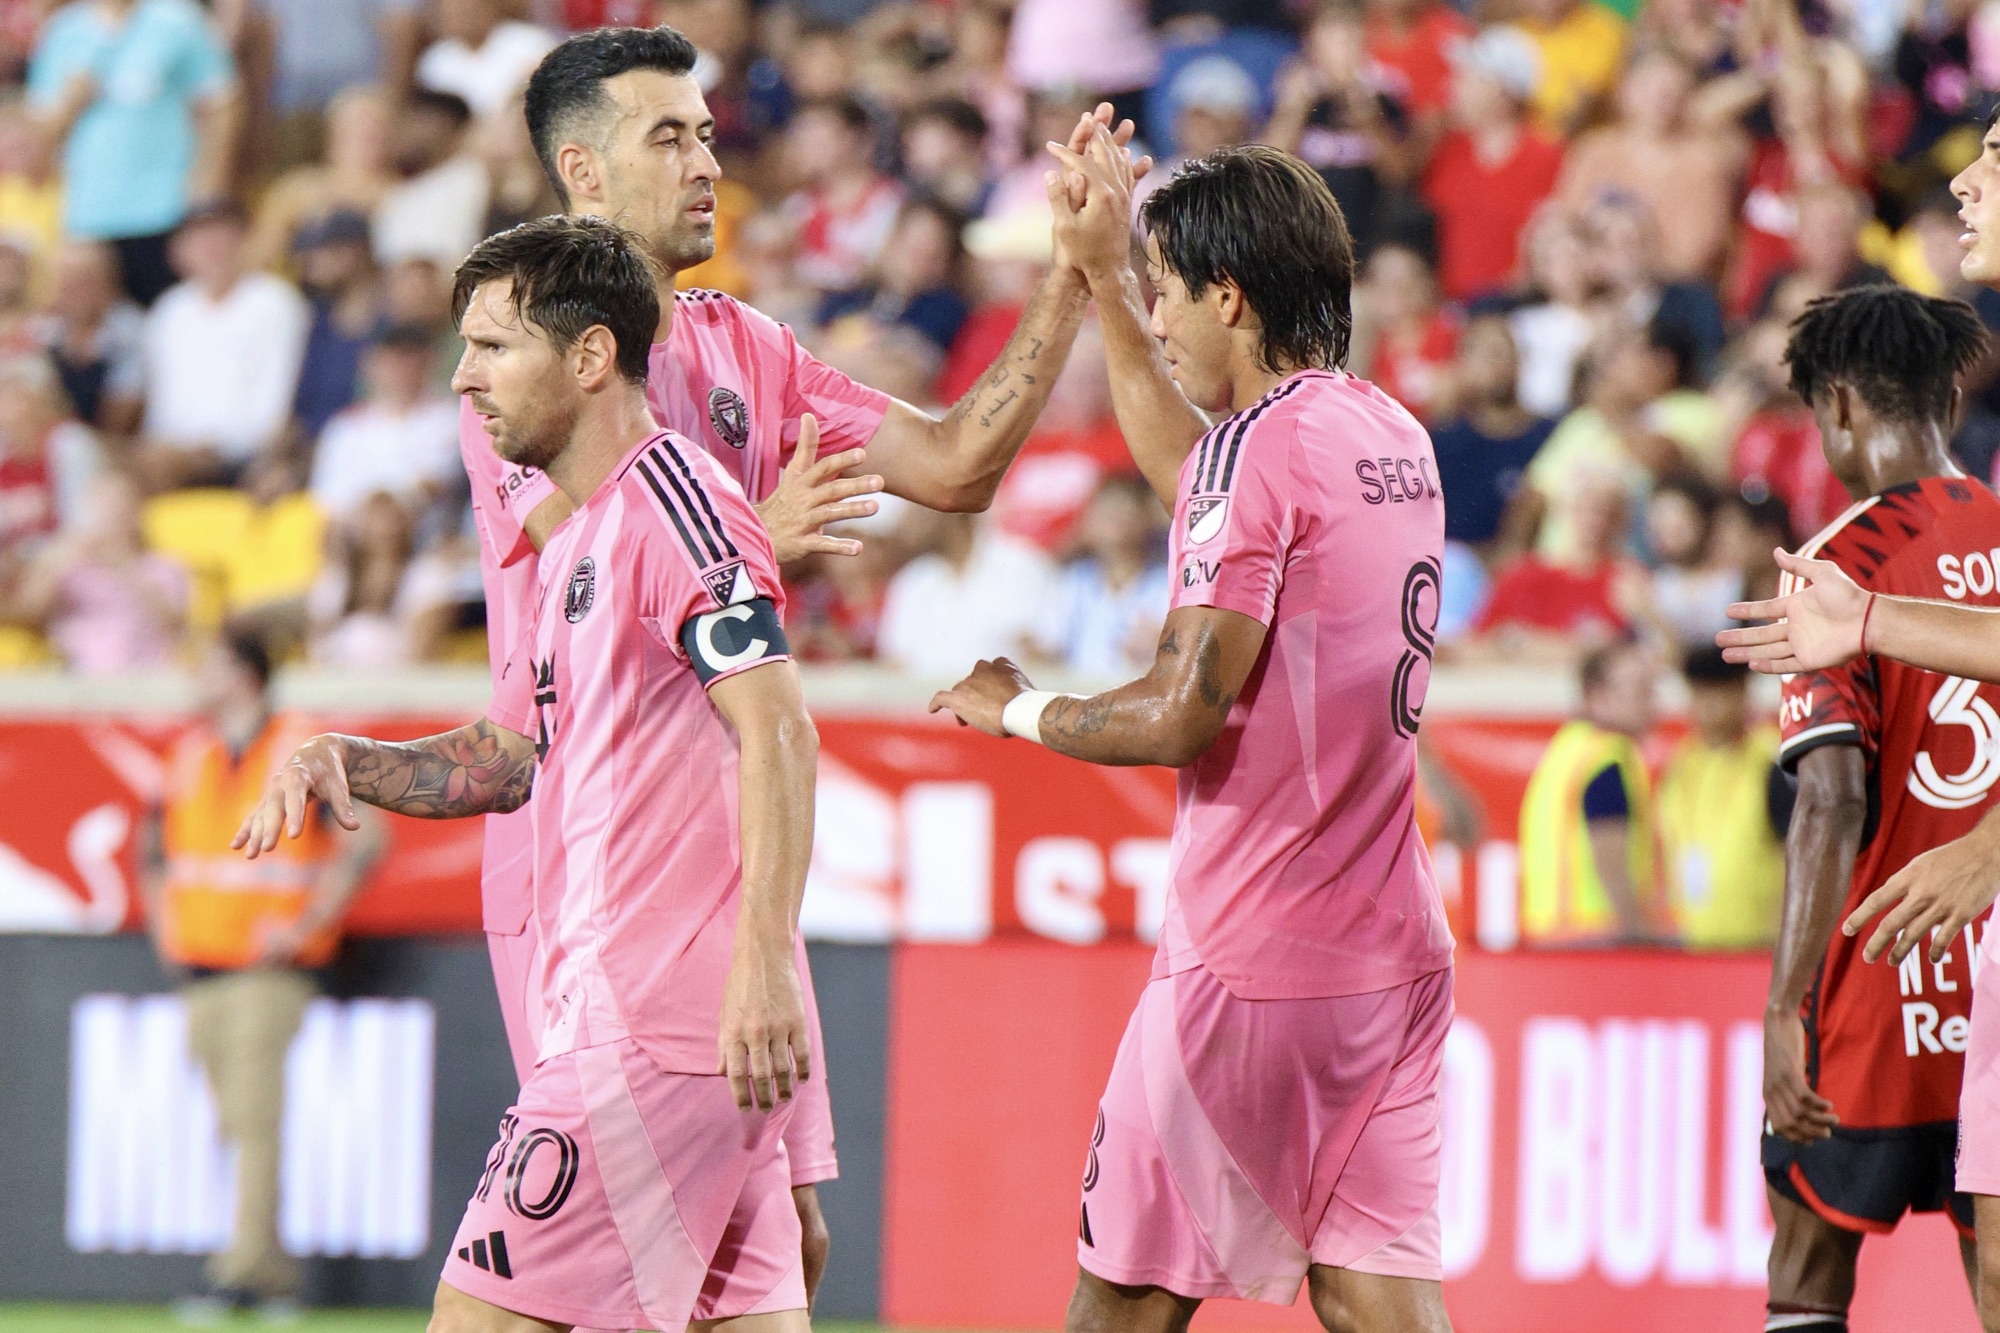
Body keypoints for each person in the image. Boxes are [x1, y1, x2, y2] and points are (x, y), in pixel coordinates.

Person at [238, 215, 819, 1333]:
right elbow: (509, 758)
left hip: (652, 1023)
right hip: (658, 1026)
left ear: (591, 356)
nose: (464, 379)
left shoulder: (680, 504)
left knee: (477, 1317)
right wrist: (343, 756)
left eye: (493, 347)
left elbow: (781, 729)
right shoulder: (579, 541)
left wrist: (762, 965)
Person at [938, 136, 1455, 1331]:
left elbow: (1180, 713)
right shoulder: (1388, 434)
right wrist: (1106, 279)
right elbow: (1202, 478)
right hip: (1391, 955)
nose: (1159, 319)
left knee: (1119, 1304)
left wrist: (1016, 707)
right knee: (1378, 1300)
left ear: (1229, 296)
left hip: (1251, 959)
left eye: (1167, 291)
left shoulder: (1251, 450)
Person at [1719, 131, 2000, 1333]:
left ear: (1832, 405)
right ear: (1948, 395)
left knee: (1805, 1250)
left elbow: (1829, 801)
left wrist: (1784, 1005)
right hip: (1985, 964)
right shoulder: (1997, 520)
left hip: (1883, 969)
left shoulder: (1836, 566)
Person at [139, 628, 383, 1318]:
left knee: (252, 1121)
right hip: (201, 964)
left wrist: (307, 924)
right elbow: (153, 848)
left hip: (266, 969)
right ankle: (273, 1277)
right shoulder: (190, 753)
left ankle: (238, 1272)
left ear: (245, 673)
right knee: (236, 1124)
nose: (196, 677)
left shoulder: (299, 746)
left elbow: (368, 838)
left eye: (211, 664)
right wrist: (165, 926)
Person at [26, 0, 240, 306]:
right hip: (89, 213)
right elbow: (39, 135)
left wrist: (206, 186)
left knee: (168, 314)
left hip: (166, 206)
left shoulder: (178, 20)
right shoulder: (64, 32)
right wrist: (69, 104)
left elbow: (221, 104)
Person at [138, 201, 311, 490]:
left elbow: (277, 397)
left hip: (249, 452)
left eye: (223, 235)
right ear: (180, 251)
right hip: (175, 450)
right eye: (201, 237)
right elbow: (162, 401)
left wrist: (222, 444)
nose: (213, 246)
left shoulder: (276, 302)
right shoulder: (169, 311)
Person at [1515, 636, 1668, 944]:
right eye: (1641, 691)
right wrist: (1640, 934)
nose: (1653, 704)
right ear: (1598, 696)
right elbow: (1610, 860)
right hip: (1598, 939)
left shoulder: (1567, 749)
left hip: (1550, 937)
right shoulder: (1607, 761)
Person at [1659, 645, 1787, 949]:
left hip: (1759, 948)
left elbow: (1801, 859)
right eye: (1699, 692)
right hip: (1692, 945)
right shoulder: (1679, 766)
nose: (1708, 705)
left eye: (1719, 692)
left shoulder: (1771, 763)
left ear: (1742, 692)